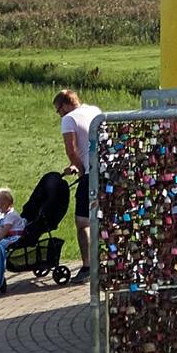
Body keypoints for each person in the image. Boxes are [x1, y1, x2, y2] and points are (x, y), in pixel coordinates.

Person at [52, 88, 102, 272]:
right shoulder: (94, 110)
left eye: (58, 110)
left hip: (90, 174)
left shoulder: (68, 119)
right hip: (105, 169)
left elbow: (71, 149)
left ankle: (88, 266)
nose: (59, 114)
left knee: (83, 223)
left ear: (65, 105)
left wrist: (80, 169)